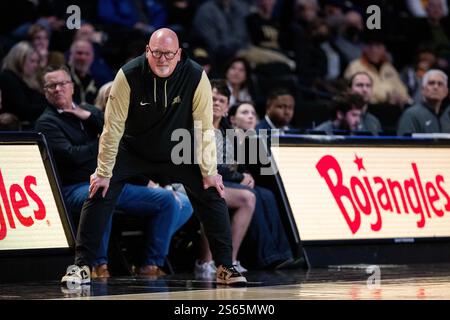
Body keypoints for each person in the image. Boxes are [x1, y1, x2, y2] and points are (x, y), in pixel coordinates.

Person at [60, 28, 247, 287]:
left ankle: (226, 266)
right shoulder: (128, 74)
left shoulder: (195, 76)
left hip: (178, 149)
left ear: (178, 54)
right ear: (147, 51)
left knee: (213, 193)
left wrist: (209, 171)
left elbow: (203, 128)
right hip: (133, 149)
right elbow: (112, 128)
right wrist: (103, 172)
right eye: (156, 52)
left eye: (168, 54)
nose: (162, 59)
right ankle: (81, 265)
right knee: (99, 191)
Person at [35, 66, 193, 278]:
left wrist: (90, 117)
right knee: (101, 192)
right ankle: (97, 264)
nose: (58, 89)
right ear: (45, 92)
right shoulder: (47, 122)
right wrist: (102, 141)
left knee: (168, 200)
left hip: (110, 182)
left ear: (71, 86)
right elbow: (73, 156)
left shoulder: (88, 110)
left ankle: (150, 263)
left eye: (62, 83)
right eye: (51, 85)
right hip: (74, 188)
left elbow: (120, 130)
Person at [397, 69, 450, 135]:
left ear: (446, 92)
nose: (436, 87)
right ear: (423, 89)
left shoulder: (447, 116)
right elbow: (403, 144)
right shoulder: (411, 115)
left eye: (440, 84)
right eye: (431, 83)